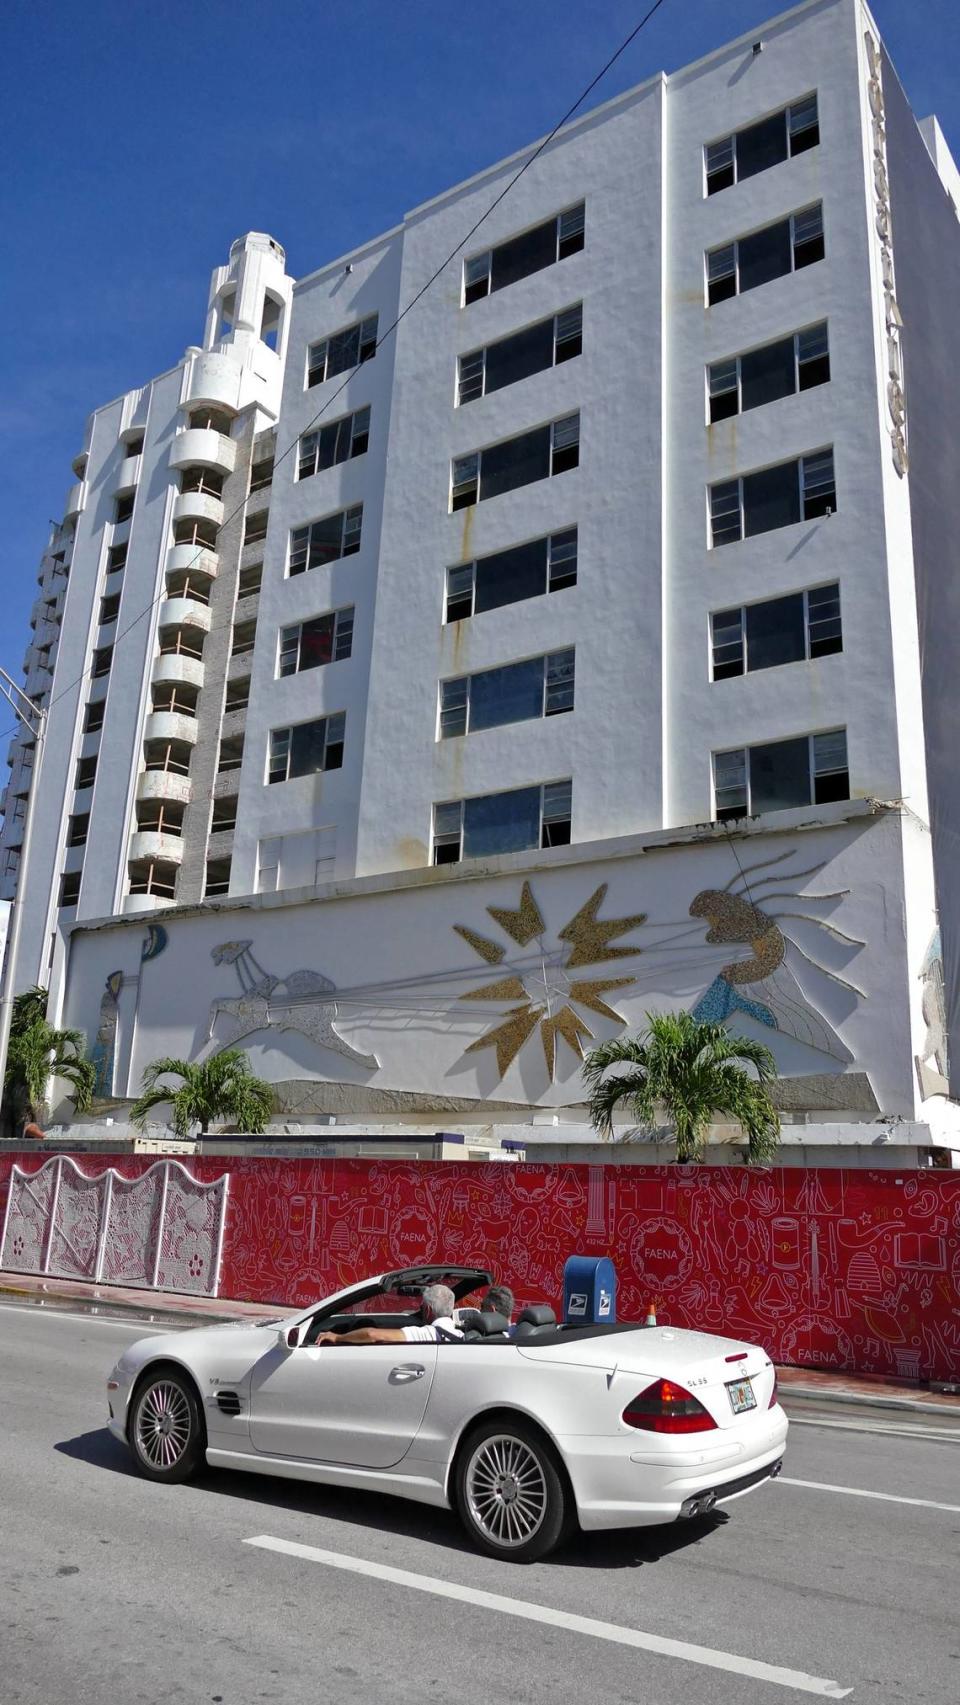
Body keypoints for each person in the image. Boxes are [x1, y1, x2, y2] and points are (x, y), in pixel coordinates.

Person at [313, 1282, 463, 1345]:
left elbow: (371, 1335)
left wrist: (337, 1337)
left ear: (428, 1310)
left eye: (422, 1307)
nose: (421, 1309)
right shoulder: (462, 1336)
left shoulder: (427, 1334)